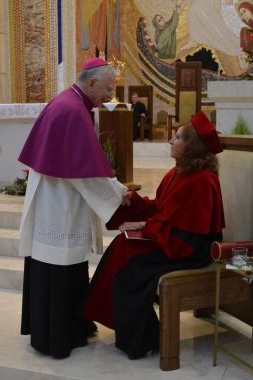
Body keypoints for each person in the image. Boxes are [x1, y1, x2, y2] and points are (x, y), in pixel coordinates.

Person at [83, 111, 225, 360]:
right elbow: (161, 208)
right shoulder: (176, 173)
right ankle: (134, 330)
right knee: (121, 246)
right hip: (173, 239)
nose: (171, 141)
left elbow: (191, 233)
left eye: (178, 137)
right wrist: (133, 201)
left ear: (193, 146)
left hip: (190, 249)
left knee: (132, 267)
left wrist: (142, 226)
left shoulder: (203, 181)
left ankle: (143, 339)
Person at [18, 57, 129, 359]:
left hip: (56, 199)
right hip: (60, 204)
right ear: (91, 82)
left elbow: (84, 164)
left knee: (60, 266)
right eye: (108, 89)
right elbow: (87, 174)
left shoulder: (71, 103)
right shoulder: (72, 110)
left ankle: (65, 327)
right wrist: (119, 194)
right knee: (61, 264)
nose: (110, 96)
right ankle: (59, 336)